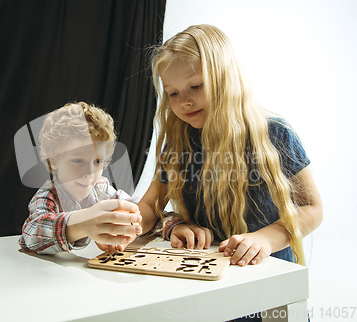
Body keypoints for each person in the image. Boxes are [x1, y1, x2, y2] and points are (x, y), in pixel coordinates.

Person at [138, 24, 323, 270]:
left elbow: (311, 208)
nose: (184, 101)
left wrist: (266, 238)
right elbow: (151, 205)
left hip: (266, 276)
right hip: (205, 273)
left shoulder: (276, 135)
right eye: (173, 93)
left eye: (196, 86)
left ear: (225, 78)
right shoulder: (179, 142)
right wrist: (125, 224)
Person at [19, 102, 142, 255]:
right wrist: (84, 223)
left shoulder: (100, 188)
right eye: (78, 161)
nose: (89, 173)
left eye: (98, 162)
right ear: (54, 161)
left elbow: (141, 209)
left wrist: (169, 225)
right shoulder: (48, 195)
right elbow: (31, 236)